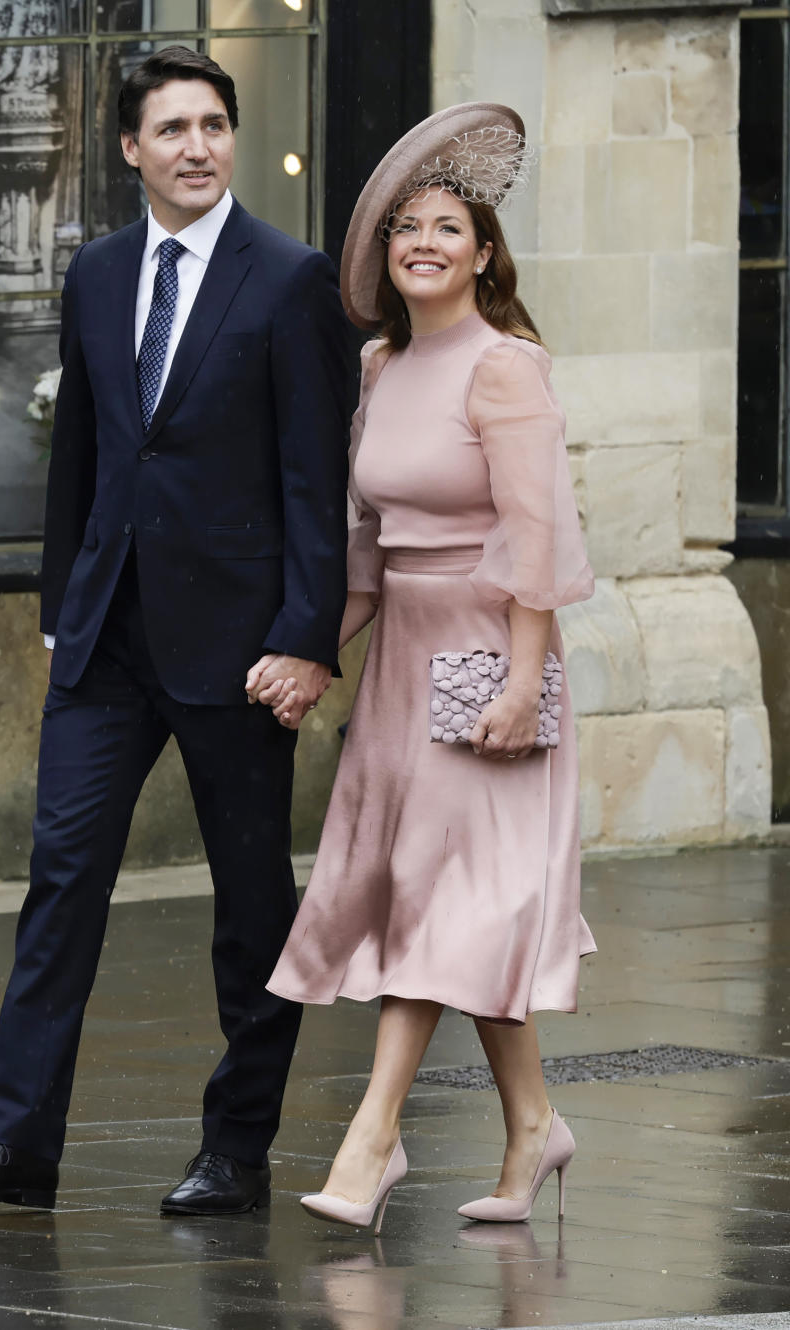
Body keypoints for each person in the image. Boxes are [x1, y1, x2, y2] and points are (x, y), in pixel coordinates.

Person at [0, 46, 351, 1217]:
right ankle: (17, 1144)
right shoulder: (99, 274)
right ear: (130, 149)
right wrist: (62, 608)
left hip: (242, 647)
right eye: (173, 130)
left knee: (250, 901)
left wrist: (308, 637)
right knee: (60, 881)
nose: (198, 146)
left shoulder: (291, 278)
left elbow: (318, 477)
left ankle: (237, 1150)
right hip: (107, 641)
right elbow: (86, 456)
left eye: (214, 125)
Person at [256, 102, 596, 1232]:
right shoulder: (380, 363)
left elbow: (536, 541)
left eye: (448, 226)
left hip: (489, 658)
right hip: (403, 660)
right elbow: (366, 546)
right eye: (407, 226)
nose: (425, 242)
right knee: (446, 897)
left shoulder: (508, 369)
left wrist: (519, 681)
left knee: (443, 903)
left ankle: (373, 1136)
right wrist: (315, 659)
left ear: (485, 252)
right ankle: (534, 1124)